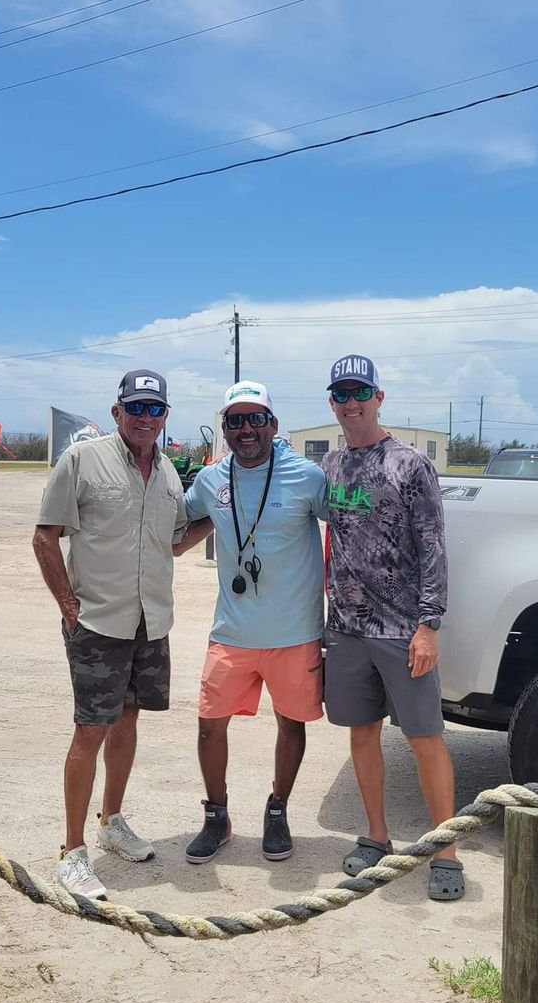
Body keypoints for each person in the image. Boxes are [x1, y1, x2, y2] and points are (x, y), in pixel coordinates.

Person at [32, 370, 187, 900]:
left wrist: (221, 517)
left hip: (149, 623)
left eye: (155, 409)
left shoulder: (168, 473)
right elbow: (45, 535)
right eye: (136, 407)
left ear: (165, 415)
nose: (146, 418)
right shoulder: (82, 460)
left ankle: (111, 821)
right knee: (90, 731)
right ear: (117, 410)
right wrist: (69, 606)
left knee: (128, 721)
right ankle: (71, 853)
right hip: (97, 623)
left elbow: (174, 542)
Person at [321, 354, 464, 901]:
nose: (350, 402)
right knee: (362, 732)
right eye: (340, 394)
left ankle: (444, 850)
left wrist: (428, 625)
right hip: (348, 628)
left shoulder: (409, 464)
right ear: (331, 402)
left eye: (360, 392)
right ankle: (376, 837)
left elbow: (433, 546)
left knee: (425, 738)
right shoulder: (332, 467)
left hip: (402, 629)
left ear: (379, 397)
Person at [174, 381, 326, 864]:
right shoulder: (210, 480)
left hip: (294, 632)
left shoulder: (306, 476)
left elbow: (352, 523)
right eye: (235, 420)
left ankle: (277, 810)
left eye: (254, 418)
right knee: (208, 725)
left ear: (272, 425)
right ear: (225, 428)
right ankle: (216, 815)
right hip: (232, 631)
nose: (245, 429)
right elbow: (179, 523)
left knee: (291, 723)